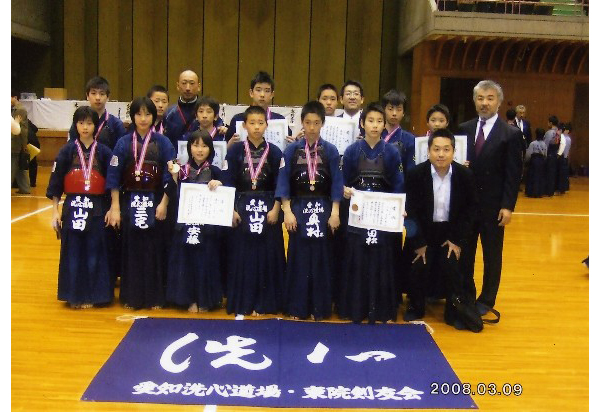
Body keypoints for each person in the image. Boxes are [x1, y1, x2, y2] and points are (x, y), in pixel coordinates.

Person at [458, 80, 522, 315]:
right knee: (465, 253)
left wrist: (507, 206)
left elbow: (513, 174)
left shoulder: (511, 134)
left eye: (490, 98)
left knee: (492, 254)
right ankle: (466, 294)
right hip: (467, 205)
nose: (484, 103)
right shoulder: (464, 129)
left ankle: (487, 299)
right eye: (480, 98)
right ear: (474, 101)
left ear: (499, 101)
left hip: (494, 206)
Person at [403, 128, 478, 330]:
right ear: (428, 151)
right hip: (423, 231)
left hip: (450, 233)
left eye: (446, 149)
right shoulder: (416, 174)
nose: (441, 154)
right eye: (436, 149)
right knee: (419, 263)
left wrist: (456, 239)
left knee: (451, 264)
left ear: (454, 151)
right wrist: (418, 242)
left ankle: (453, 311)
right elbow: (409, 211)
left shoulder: (465, 175)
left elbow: (470, 210)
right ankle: (416, 306)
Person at [106, 97, 176, 309]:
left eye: (147, 114)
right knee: (132, 249)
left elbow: (171, 175)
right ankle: (131, 297)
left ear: (154, 117)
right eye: (139, 114)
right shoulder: (123, 143)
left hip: (155, 200)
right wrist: (115, 206)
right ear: (133, 116)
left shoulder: (163, 142)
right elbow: (114, 176)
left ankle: (155, 298)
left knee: (154, 250)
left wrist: (164, 203)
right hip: (130, 200)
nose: (143, 118)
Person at [276, 101, 343, 320]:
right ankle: (297, 308)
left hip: (323, 208)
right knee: (299, 258)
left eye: (316, 122)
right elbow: (284, 182)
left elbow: (336, 184)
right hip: (299, 209)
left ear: (323, 124)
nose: (312, 127)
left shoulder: (331, 151)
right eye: (308, 122)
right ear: (302, 123)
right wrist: (287, 210)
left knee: (322, 259)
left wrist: (335, 212)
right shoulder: (292, 150)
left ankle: (320, 308)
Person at [338, 102, 404, 324]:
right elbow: (343, 181)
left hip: (382, 216)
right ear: (362, 123)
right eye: (370, 121)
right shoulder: (351, 151)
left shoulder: (392, 152)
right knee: (357, 259)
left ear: (384, 124)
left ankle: (381, 309)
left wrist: (399, 207)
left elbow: (398, 184)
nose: (375, 126)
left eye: (379, 121)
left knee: (381, 260)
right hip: (357, 215)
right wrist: (344, 191)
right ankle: (355, 308)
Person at [46, 106, 114, 308]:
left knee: (95, 253)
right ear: (75, 125)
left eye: (90, 123)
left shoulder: (104, 152)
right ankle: (74, 295)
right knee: (73, 253)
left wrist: (112, 208)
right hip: (73, 206)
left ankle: (94, 296)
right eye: (81, 123)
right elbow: (56, 183)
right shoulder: (66, 151)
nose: (85, 127)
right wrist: (54, 212)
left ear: (96, 126)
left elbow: (112, 184)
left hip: (97, 207)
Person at [224, 105, 285, 316]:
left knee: (267, 256)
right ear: (244, 125)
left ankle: (266, 303)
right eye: (252, 123)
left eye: (261, 123)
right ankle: (243, 302)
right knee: (243, 258)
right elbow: (227, 181)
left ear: (267, 125)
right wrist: (230, 209)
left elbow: (281, 183)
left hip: (268, 207)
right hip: (242, 206)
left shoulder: (276, 152)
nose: (256, 127)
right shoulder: (234, 151)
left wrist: (277, 208)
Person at [165, 130, 225, 312]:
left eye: (204, 145)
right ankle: (188, 299)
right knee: (186, 261)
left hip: (207, 225)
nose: (200, 150)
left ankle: (205, 299)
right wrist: (174, 178)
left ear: (210, 149)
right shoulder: (180, 169)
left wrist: (219, 185)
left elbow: (225, 194)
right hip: (185, 223)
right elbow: (171, 193)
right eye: (196, 145)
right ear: (189, 147)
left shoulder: (215, 171)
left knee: (205, 260)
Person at [225, 71, 292, 147]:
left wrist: (292, 144)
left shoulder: (280, 120)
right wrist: (230, 144)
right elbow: (227, 149)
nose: (262, 95)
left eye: (267, 91)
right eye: (258, 90)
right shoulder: (238, 119)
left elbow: (288, 147)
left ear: (272, 95)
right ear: (251, 93)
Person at [68, 76, 127, 150]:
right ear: (87, 96)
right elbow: (70, 148)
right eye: (93, 93)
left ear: (108, 97)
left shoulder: (116, 124)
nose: (98, 98)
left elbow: (121, 151)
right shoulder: (79, 122)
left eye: (102, 94)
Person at [380, 89, 416, 174]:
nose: (394, 113)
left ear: (403, 113)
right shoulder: (374, 134)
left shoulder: (410, 139)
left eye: (399, 109)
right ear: (383, 110)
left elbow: (410, 170)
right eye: (390, 109)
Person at [11, 94, 30, 194]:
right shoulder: (15, 109)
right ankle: (25, 188)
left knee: (12, 166)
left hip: (15, 143)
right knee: (19, 167)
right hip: (15, 143)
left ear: (14, 97)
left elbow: (22, 130)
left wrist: (24, 144)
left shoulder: (19, 110)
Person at [524, 128, 547, 198]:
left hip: (534, 160)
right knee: (540, 176)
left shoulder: (533, 143)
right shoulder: (544, 144)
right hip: (541, 161)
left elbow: (528, 154)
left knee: (532, 176)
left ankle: (531, 192)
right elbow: (545, 154)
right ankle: (539, 192)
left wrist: (526, 161)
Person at [543, 115, 561, 197]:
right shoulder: (558, 132)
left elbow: (545, 145)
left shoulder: (549, 133)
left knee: (547, 173)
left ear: (550, 123)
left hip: (549, 153)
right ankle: (551, 190)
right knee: (552, 173)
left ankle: (547, 190)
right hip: (555, 153)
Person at [557, 122, 572, 194]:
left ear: (568, 131)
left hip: (563, 157)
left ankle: (561, 189)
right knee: (563, 174)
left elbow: (563, 148)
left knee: (561, 174)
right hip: (565, 158)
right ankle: (563, 188)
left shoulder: (565, 138)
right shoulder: (568, 138)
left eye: (565, 129)